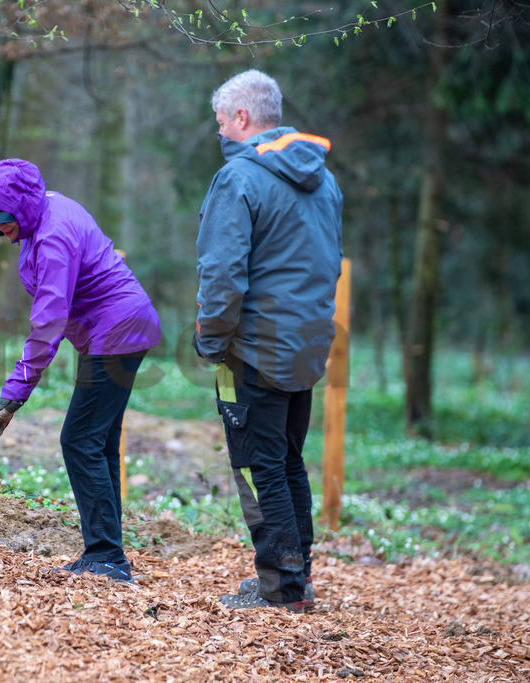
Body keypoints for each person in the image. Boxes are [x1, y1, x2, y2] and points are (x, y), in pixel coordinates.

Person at [193, 70, 343, 612]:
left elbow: (222, 274)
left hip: (252, 348)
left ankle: (282, 588)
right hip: (306, 344)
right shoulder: (324, 180)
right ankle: (299, 577)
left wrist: (211, 339)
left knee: (260, 465)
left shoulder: (238, 178)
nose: (219, 133)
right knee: (287, 461)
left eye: (220, 122)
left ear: (241, 117)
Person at [0, 158, 161, 584]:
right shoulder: (45, 209)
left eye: (1, 220)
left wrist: (14, 395)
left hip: (118, 331)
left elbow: (49, 322)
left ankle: (107, 557)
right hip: (115, 329)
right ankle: (108, 553)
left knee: (79, 439)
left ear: (21, 208)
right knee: (98, 441)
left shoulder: (53, 236)